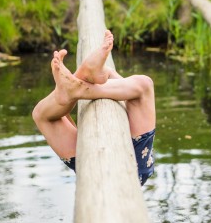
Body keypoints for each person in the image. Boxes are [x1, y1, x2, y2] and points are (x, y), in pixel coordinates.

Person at [32, 30, 156, 185]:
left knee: (40, 114)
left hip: (127, 166)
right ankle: (85, 79)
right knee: (142, 85)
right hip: (134, 165)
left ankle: (80, 82)